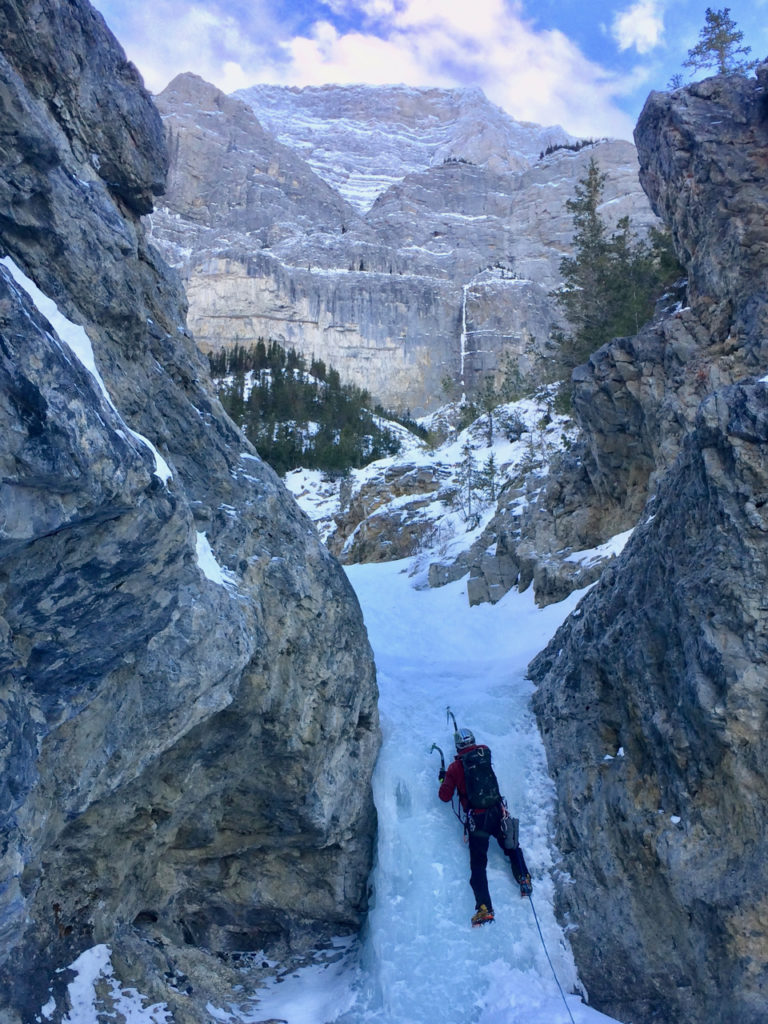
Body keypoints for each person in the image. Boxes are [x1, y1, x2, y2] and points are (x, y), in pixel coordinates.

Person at [438, 727, 532, 927]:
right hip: (497, 811)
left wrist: (443, 778)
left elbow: (444, 796)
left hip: (478, 820)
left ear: (457, 745)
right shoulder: (484, 753)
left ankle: (484, 908)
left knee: (478, 865)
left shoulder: (455, 768)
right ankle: (524, 879)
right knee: (511, 845)